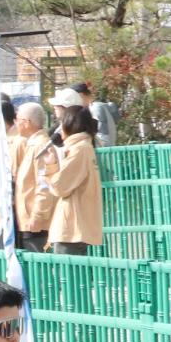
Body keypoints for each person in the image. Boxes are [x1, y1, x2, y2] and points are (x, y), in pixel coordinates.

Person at [41, 99, 102, 255]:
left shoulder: (79, 149)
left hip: (72, 228)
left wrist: (51, 166)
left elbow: (59, 186)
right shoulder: (83, 147)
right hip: (77, 225)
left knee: (67, 277)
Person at [11, 102, 52, 252]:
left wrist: (37, 216)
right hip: (27, 218)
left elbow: (44, 185)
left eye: (18, 119)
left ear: (27, 122)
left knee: (40, 269)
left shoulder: (40, 146)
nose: (16, 124)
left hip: (35, 221)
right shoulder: (31, 144)